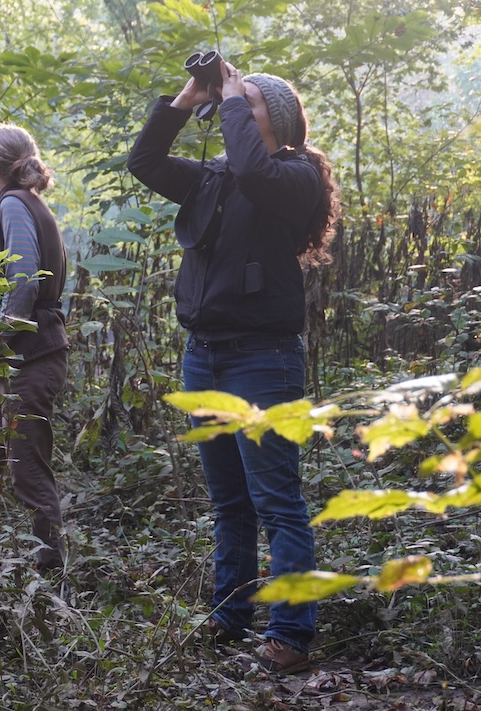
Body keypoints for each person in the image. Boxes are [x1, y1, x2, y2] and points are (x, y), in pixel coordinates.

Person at [127, 63, 340, 673]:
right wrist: (185, 98)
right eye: (230, 101)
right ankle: (230, 613)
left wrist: (229, 98)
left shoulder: (295, 176)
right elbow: (144, 162)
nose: (231, 106)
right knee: (229, 501)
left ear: (276, 117)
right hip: (205, 354)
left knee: (276, 500)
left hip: (263, 360)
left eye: (245, 102)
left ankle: (291, 633)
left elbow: (253, 169)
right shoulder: (216, 177)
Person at [0, 124, 69, 573]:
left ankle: (51, 576)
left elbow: (23, 279)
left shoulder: (12, 203)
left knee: (26, 471)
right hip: (21, 359)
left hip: (29, 357)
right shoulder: (27, 202)